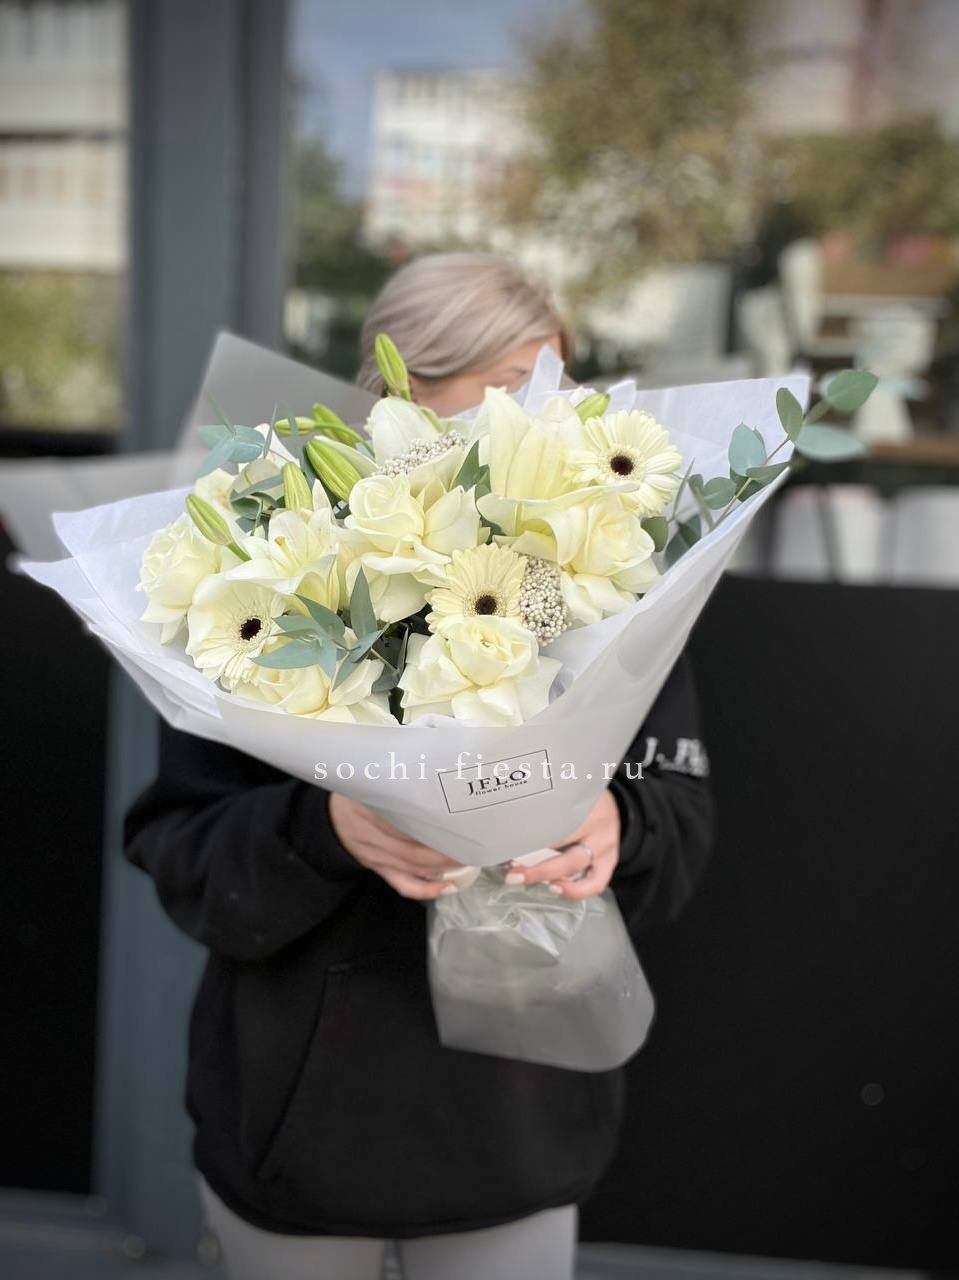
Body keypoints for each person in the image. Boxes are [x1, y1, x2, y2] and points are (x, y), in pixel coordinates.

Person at [124, 252, 715, 1280]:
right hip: (299, 1133)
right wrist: (325, 828)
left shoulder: (603, 580)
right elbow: (181, 849)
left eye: (556, 389)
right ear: (397, 397)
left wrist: (617, 825)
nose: (542, 420)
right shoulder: (262, 577)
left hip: (519, 1124)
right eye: (508, 391)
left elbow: (682, 811)